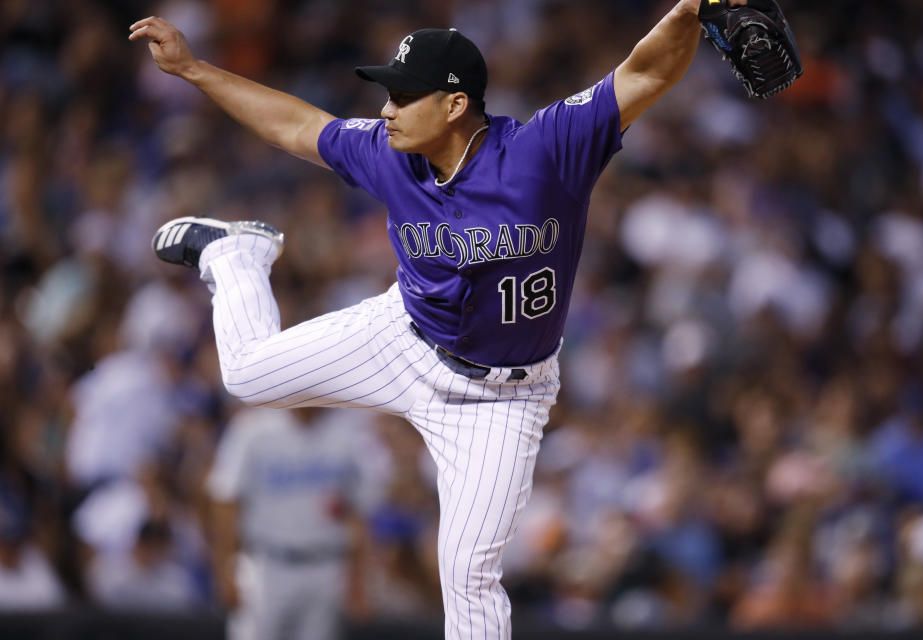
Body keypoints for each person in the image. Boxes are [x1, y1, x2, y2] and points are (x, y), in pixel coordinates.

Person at [130, 1, 704, 636]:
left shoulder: (545, 150)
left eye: (403, 96)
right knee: (243, 374)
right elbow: (297, 127)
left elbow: (647, 72)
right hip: (404, 339)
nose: (386, 110)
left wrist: (695, 9)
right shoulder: (390, 153)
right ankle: (237, 254)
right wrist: (194, 70)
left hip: (499, 401)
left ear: (454, 104)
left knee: (467, 571)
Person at [206, 407, 371, 640]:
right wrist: (225, 571)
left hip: (326, 564)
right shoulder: (252, 428)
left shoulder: (348, 432)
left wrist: (358, 578)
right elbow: (225, 504)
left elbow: (358, 510)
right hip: (267, 564)